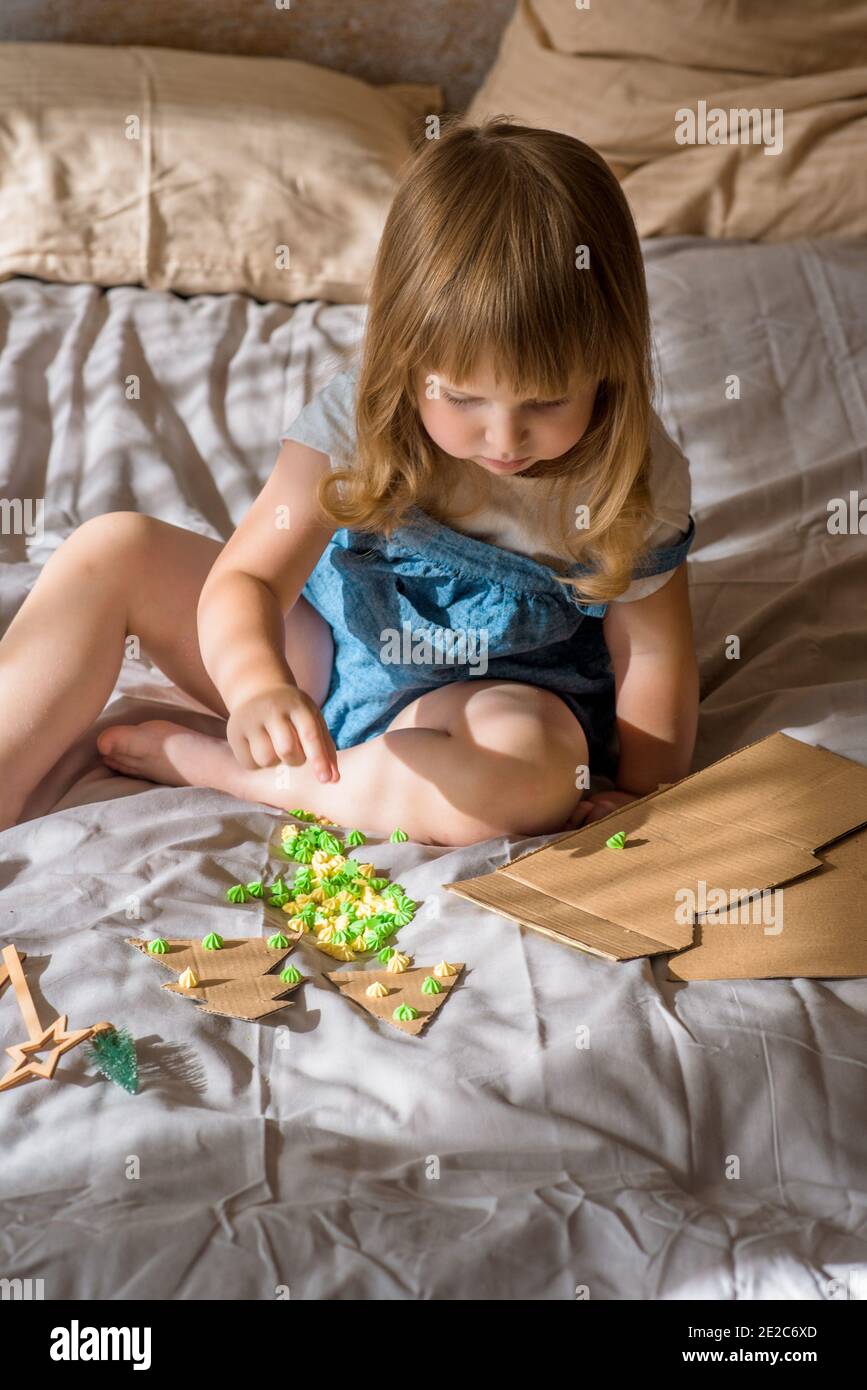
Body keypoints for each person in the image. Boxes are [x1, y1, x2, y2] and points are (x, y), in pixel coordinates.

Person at [0, 117, 699, 846]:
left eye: (546, 401)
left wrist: (640, 795)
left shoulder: (634, 468)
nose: (503, 437)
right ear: (405, 351)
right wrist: (256, 687)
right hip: (320, 657)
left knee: (523, 783)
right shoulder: (357, 417)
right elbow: (249, 582)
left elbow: (651, 654)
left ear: (608, 360)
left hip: (492, 708)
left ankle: (233, 775)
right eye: (462, 398)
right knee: (111, 547)